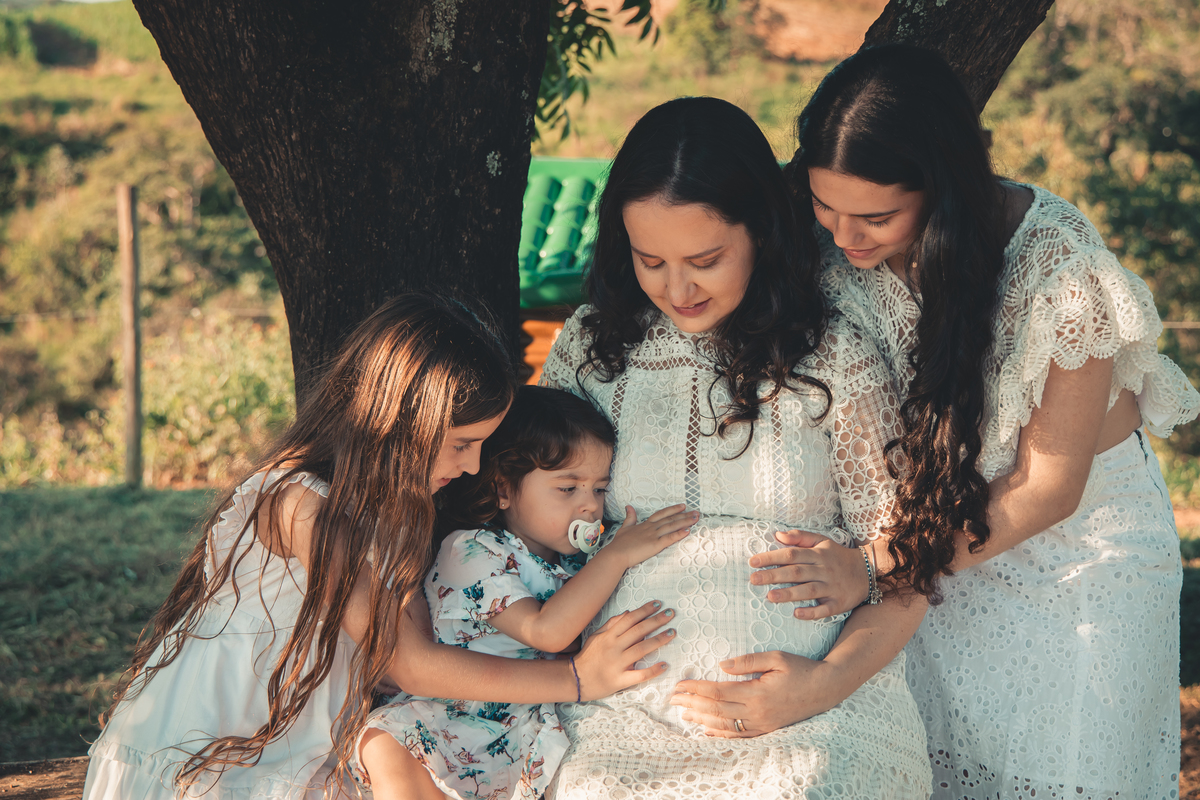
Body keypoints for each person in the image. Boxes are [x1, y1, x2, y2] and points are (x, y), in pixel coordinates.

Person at [749, 43, 1199, 799]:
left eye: (876, 217)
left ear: (943, 187)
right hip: (941, 552)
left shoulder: (1058, 269)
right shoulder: (836, 247)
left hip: (1078, 560)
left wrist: (874, 566)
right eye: (826, 207)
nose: (844, 236)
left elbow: (1047, 490)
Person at [82, 294, 677, 800]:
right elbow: (408, 661)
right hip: (203, 754)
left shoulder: (394, 517)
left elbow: (413, 654)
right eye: (461, 443)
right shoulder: (299, 504)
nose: (473, 466)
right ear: (401, 420)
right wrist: (577, 679)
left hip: (294, 755)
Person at [539, 96, 933, 799]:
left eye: (706, 259)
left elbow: (911, 566)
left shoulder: (832, 356)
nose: (677, 288)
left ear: (761, 233)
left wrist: (823, 684)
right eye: (650, 260)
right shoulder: (591, 348)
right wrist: (571, 664)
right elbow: (528, 534)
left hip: (817, 711)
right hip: (614, 711)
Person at [352, 384, 696, 800]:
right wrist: (617, 555)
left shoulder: (576, 564)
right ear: (504, 489)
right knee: (384, 743)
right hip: (450, 714)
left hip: (525, 727)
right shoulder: (471, 550)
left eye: (599, 489)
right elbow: (546, 632)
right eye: (568, 488)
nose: (590, 506)